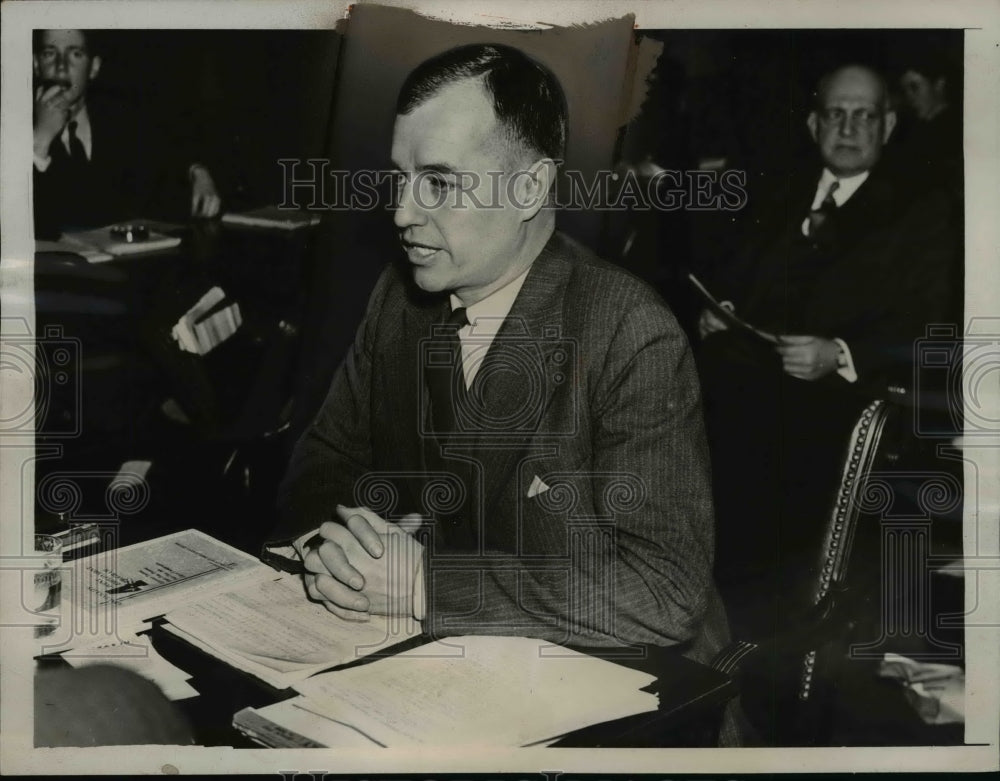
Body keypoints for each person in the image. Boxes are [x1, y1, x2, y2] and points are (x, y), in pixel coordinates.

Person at [268, 44, 729, 670]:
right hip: (451, 669)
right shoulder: (400, 299)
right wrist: (339, 549)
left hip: (629, 689)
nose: (403, 213)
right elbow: (323, 464)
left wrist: (426, 583)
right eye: (400, 179)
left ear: (530, 187)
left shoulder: (628, 330)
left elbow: (663, 593)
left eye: (438, 182)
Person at [695, 64, 956, 636]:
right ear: (815, 124)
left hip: (830, 411)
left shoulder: (921, 214)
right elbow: (732, 279)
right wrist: (723, 314)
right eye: (836, 113)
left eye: (864, 115)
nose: (848, 126)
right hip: (736, 389)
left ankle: (748, 639)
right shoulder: (778, 193)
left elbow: (928, 328)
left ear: (887, 125)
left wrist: (837, 353)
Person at [32, 29, 221, 239]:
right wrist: (40, 140)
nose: (61, 67)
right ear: (36, 64)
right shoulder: (12, 127)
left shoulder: (120, 118)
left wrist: (198, 172)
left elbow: (170, 152)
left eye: (75, 54)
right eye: (50, 53)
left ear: (93, 68)